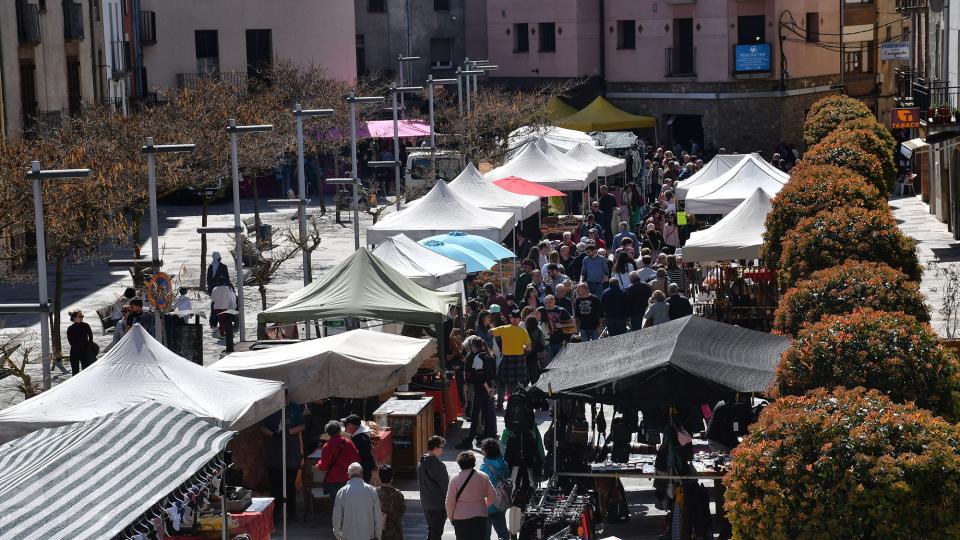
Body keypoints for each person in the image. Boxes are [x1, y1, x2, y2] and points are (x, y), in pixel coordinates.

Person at [260, 397, 305, 522]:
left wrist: (288, 432)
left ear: (286, 396)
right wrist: (274, 434)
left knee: (290, 485)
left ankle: (292, 512)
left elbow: (302, 426)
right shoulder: (269, 408)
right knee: (275, 485)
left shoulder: (294, 408)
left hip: (291, 453)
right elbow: (262, 427)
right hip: (274, 453)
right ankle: (276, 512)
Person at [446, 451, 497, 540]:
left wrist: (451, 517)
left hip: (461, 517)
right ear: (473, 462)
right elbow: (493, 495)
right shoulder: (483, 476)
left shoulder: (455, 479)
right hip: (480, 515)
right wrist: (484, 505)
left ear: (459, 463)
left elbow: (449, 502)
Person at [459, 337, 498, 449]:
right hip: (489, 390)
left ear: (473, 347)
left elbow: (480, 377)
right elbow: (493, 375)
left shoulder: (477, 358)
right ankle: (488, 440)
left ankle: (469, 441)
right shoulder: (490, 356)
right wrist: (492, 389)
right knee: (487, 415)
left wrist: (487, 389)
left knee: (475, 416)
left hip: (481, 391)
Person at [491, 309, 532, 410]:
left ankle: (500, 405)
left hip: (506, 358)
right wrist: (520, 347)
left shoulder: (504, 328)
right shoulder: (523, 331)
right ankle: (514, 404)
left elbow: (490, 332)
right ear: (519, 319)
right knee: (515, 383)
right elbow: (528, 348)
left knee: (501, 382)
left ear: (510, 318)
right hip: (518, 359)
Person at [333, 462, 384, 540]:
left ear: (348, 475)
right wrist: (378, 536)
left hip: (348, 536)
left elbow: (337, 516)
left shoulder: (341, 492)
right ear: (362, 474)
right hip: (367, 536)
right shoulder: (372, 491)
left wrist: (337, 534)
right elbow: (378, 516)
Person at [317, 420, 361, 497]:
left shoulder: (327, 446)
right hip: (349, 479)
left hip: (334, 481)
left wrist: (319, 464)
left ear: (327, 433)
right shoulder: (349, 443)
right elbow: (356, 461)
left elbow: (323, 466)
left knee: (337, 505)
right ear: (339, 430)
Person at [418, 436, 449, 540]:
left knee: (432, 531)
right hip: (437, 505)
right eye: (441, 447)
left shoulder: (421, 462)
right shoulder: (439, 466)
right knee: (436, 533)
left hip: (425, 503)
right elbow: (446, 488)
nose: (442, 449)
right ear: (435, 448)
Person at [478, 439, 511, 540]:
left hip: (487, 505)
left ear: (486, 451)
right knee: (503, 533)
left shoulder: (484, 468)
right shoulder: (503, 464)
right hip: (500, 502)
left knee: (485, 534)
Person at [342, 414, 376, 483]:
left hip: (362, 472)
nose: (344, 427)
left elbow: (366, 455)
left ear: (351, 426)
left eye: (346, 425)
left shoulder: (360, 439)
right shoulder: (358, 436)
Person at [540, 294, 573, 361]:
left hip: (561, 340)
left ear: (554, 301)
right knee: (549, 362)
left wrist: (562, 325)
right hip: (548, 342)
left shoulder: (561, 310)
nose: (548, 304)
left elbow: (572, 323)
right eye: (546, 302)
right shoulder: (542, 312)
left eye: (550, 302)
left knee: (561, 360)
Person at [376, 465, 405, 540]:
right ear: (392, 478)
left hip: (378, 533)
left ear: (379, 477)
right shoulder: (398, 494)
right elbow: (401, 512)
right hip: (394, 533)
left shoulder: (374, 493)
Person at [66, 310, 95, 375]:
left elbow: (91, 336)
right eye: (80, 316)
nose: (82, 317)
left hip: (85, 351)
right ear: (74, 318)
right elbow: (70, 342)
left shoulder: (86, 325)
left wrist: (88, 347)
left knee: (86, 372)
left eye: (82, 316)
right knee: (75, 372)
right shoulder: (70, 329)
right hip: (74, 352)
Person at [523, 315, 547, 384]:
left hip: (527, 353)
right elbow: (543, 342)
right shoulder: (539, 331)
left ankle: (526, 387)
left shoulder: (525, 331)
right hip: (537, 353)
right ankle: (535, 387)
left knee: (527, 372)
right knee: (536, 374)